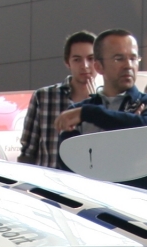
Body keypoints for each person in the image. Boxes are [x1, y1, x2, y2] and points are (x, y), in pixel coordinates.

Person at [54, 29, 147, 190]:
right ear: (99, 66)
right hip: (94, 206)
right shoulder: (76, 111)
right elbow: (71, 166)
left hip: (141, 206)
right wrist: (130, 131)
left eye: (133, 58)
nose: (128, 65)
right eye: (119, 58)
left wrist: (90, 115)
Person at [19, 30, 97, 168]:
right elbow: (28, 151)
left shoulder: (108, 102)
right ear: (68, 63)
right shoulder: (44, 97)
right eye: (77, 59)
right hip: (48, 184)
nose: (84, 65)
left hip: (90, 184)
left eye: (91, 58)